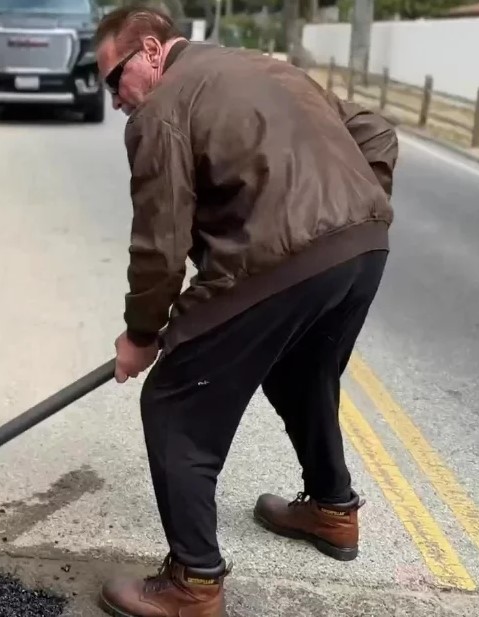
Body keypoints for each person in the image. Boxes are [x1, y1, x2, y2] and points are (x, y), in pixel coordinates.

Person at [95, 6, 399, 617]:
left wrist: (143, 333)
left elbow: (160, 242)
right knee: (301, 372)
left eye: (113, 80)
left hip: (282, 259)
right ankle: (333, 511)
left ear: (151, 51)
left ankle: (193, 584)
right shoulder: (267, 67)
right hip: (364, 245)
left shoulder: (162, 110)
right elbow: (376, 131)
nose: (114, 101)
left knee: (173, 403)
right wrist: (351, 206)